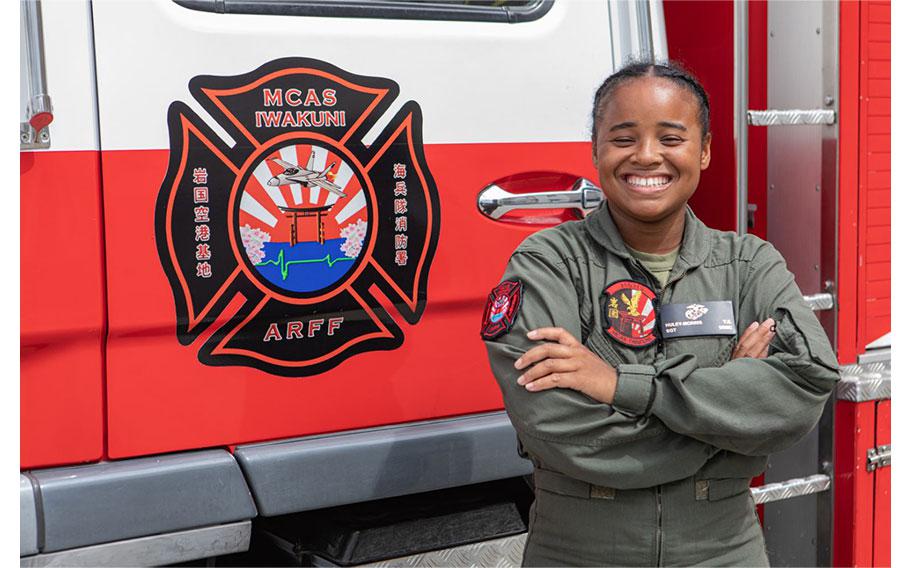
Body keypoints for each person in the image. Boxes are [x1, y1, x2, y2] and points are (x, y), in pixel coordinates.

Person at [481, 61, 840, 567]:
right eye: (624, 138)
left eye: (671, 138)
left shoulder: (748, 264)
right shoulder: (547, 264)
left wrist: (620, 385)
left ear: (705, 150)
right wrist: (728, 414)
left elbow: (805, 388)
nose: (647, 156)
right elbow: (557, 428)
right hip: (580, 552)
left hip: (723, 552)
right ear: (596, 150)